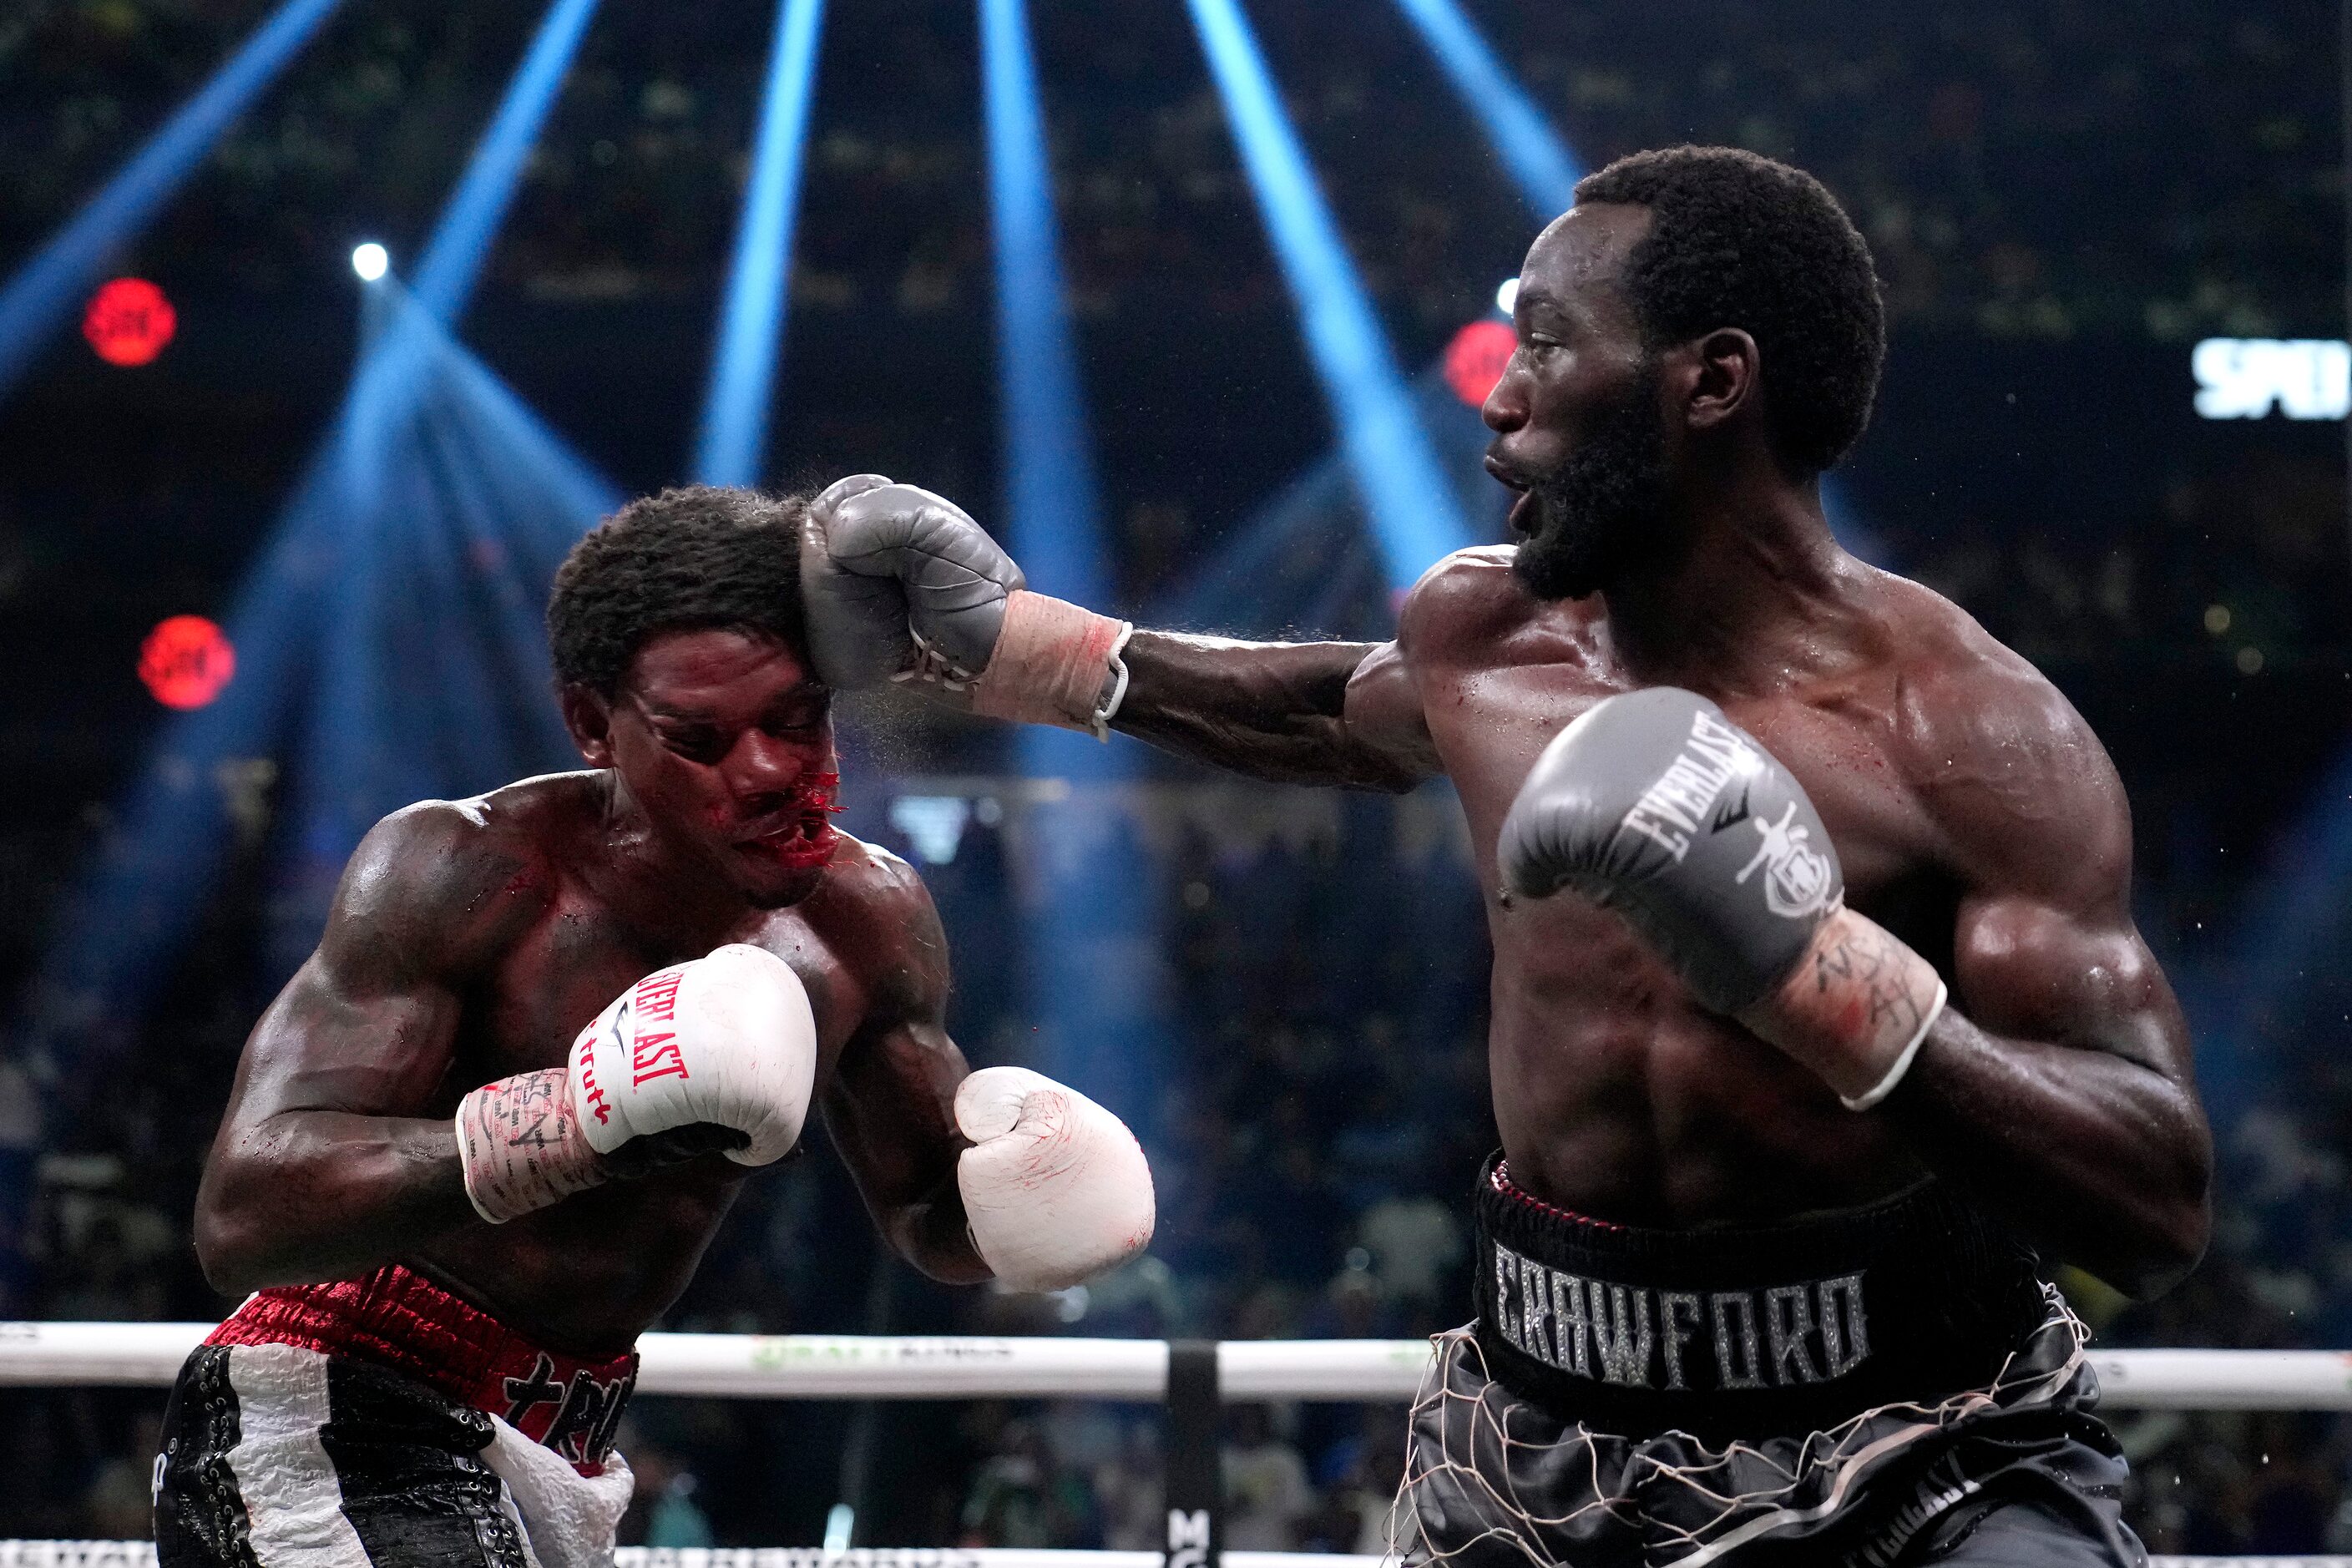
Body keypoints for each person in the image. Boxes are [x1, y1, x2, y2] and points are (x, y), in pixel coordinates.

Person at [799, 146, 2213, 1565]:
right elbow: (1323, 708)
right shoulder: (1490, 636)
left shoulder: (1967, 733)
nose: (1498, 393)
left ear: (1711, 382)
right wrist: (1008, 644)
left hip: (1915, 1434)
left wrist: (1819, 975)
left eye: (1546, 340)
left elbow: (2153, 1198)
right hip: (1535, 1431)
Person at [157, 486, 1156, 1568]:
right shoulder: (466, 869)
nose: (771, 767)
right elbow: (242, 1211)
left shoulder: (866, 919)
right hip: (330, 1400)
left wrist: (1025, 1201)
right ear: (595, 724)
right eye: (701, 737)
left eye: (795, 717)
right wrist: (568, 1122)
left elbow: (924, 1209)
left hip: (563, 1449)